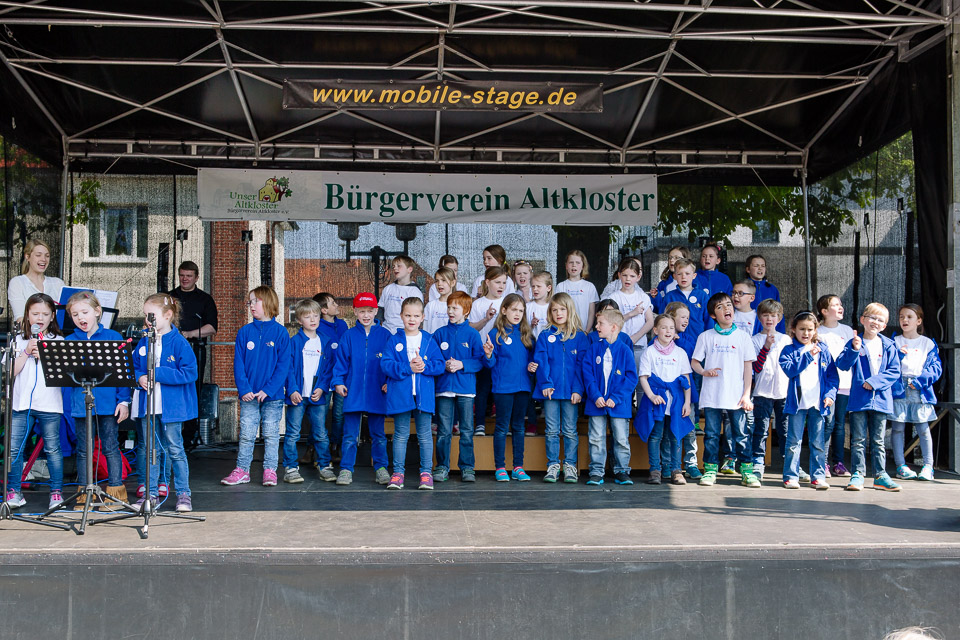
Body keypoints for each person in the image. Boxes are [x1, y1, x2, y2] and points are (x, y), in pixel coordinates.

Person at [131, 294, 198, 512]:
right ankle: (150, 494)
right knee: (151, 450)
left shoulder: (179, 343)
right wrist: (140, 377)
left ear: (168, 315)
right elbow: (134, 366)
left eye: (151, 315)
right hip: (148, 407)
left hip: (171, 408)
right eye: (145, 315)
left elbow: (190, 372)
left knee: (175, 449)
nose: (147, 320)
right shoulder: (144, 341)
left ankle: (184, 494)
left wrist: (158, 373)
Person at [65, 291, 131, 508]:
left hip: (108, 404)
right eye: (75, 315)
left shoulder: (113, 337)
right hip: (81, 404)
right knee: (83, 450)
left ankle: (115, 492)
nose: (80, 318)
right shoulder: (69, 341)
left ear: (97, 311)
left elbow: (123, 374)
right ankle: (85, 493)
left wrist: (124, 401)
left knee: (110, 446)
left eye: (84, 312)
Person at [222, 286, 290, 487]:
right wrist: (244, 389)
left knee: (271, 434)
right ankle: (242, 470)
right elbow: (238, 365)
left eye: (255, 301)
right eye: (250, 301)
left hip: (273, 397)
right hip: (249, 396)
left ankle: (270, 470)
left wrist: (268, 390)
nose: (251, 305)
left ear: (268, 303)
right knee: (246, 434)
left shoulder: (281, 333)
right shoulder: (244, 332)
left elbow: (283, 366)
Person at [4, 293, 64, 510]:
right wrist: (26, 352)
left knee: (53, 449)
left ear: (52, 316)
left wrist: (45, 357)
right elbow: (10, 373)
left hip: (49, 404)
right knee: (14, 449)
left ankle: (56, 492)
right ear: (27, 315)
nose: (40, 318)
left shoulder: (59, 341)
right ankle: (14, 491)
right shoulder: (18, 340)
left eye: (45, 314)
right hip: (21, 404)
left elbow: (61, 376)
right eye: (35, 313)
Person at [691, 292, 756, 487]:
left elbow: (748, 368)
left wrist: (746, 395)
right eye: (720, 307)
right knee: (711, 434)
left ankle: (747, 471)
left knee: (741, 434)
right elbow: (695, 362)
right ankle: (710, 470)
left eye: (728, 305)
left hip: (736, 396)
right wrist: (704, 371)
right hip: (712, 396)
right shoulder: (706, 336)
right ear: (713, 315)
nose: (726, 309)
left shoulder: (743, 337)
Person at [836, 303, 902, 492]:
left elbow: (894, 371)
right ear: (863, 319)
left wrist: (875, 382)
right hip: (859, 400)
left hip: (881, 400)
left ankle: (880, 475)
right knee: (857, 440)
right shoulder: (855, 341)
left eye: (880, 320)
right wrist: (854, 349)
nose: (875, 322)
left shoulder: (889, 345)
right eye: (872, 317)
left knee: (878, 441)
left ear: (884, 325)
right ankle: (858, 474)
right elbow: (842, 364)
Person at [382, 298, 445, 490]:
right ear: (401, 316)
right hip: (401, 395)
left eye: (416, 315)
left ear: (423, 317)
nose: (412, 319)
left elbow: (440, 364)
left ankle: (426, 473)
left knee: (424, 435)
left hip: (423, 396)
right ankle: (398, 474)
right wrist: (407, 367)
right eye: (408, 315)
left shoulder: (429, 340)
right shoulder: (394, 340)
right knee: (400, 434)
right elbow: (386, 364)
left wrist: (425, 366)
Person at [332, 293, 392, 486]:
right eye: (362, 311)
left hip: (377, 391)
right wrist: (338, 381)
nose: (366, 315)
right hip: (353, 391)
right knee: (350, 435)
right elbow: (340, 362)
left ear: (376, 311)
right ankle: (346, 469)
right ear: (355, 311)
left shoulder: (386, 336)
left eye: (370, 311)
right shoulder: (348, 336)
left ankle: (381, 468)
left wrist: (389, 381)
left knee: (379, 435)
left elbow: (391, 362)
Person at [779, 311, 839, 490]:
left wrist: (830, 395)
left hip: (818, 403)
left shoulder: (823, 349)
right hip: (797, 404)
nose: (806, 333)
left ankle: (818, 476)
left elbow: (832, 376)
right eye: (802, 329)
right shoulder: (789, 350)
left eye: (810, 329)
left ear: (815, 330)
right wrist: (808, 356)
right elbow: (790, 370)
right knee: (793, 441)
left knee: (818, 442)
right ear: (793, 329)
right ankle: (791, 476)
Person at [533, 292, 587, 484]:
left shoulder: (580, 337)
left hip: (571, 393)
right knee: (551, 430)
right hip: (551, 392)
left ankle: (570, 465)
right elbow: (541, 361)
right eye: (554, 310)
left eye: (562, 309)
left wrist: (578, 389)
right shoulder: (545, 335)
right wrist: (546, 383)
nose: (558, 313)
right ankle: (553, 465)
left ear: (570, 310)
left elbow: (582, 366)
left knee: (570, 430)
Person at [482, 293, 536, 482]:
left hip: (522, 388)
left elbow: (532, 362)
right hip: (503, 388)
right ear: (504, 310)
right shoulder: (495, 334)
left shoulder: (527, 335)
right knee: (502, 427)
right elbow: (489, 364)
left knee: (519, 427)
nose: (517, 314)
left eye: (521, 310)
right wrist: (488, 354)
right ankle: (500, 467)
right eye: (514, 309)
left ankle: (518, 467)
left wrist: (532, 368)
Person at [432, 291, 484, 483]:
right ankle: (442, 467)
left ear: (466, 311)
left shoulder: (473, 334)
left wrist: (462, 364)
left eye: (455, 308)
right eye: (449, 307)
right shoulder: (439, 333)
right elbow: (433, 360)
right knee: (444, 431)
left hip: (466, 389)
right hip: (444, 388)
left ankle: (467, 467)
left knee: (467, 430)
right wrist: (443, 365)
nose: (451, 311)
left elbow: (480, 361)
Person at [636, 314, 694, 486]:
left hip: (676, 401)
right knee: (656, 435)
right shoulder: (649, 352)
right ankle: (655, 470)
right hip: (657, 400)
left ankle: (676, 470)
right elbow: (644, 377)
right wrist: (651, 396)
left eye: (671, 328)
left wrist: (687, 402)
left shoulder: (680, 353)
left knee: (675, 435)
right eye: (664, 327)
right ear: (655, 330)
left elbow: (686, 380)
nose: (668, 331)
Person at [582, 308, 638, 486]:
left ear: (614, 327)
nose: (597, 326)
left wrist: (616, 398)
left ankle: (622, 471)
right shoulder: (594, 348)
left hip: (618, 405)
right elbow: (588, 374)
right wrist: (595, 395)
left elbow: (631, 378)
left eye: (601, 323)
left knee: (621, 439)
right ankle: (596, 471)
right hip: (596, 403)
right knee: (596, 438)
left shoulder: (625, 350)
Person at [283, 299, 334, 485]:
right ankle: (290, 468)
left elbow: (328, 369)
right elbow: (288, 368)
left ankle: (324, 465)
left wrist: (321, 388)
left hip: (317, 395)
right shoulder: (294, 342)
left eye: (316, 316)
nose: (313, 320)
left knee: (320, 433)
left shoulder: (325, 342)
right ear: (299, 320)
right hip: (297, 395)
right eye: (307, 316)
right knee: (293, 433)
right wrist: (292, 390)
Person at [889, 304, 942, 481]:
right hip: (899, 388)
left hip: (919, 389)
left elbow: (935, 368)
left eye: (909, 317)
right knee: (897, 428)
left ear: (919, 321)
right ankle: (901, 466)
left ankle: (928, 466)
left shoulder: (927, 343)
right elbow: (888, 365)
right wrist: (898, 356)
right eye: (901, 316)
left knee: (923, 428)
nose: (904, 320)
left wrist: (920, 382)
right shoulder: (894, 342)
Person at [169, 260, 218, 446]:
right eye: (182, 275)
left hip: (195, 349)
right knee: (171, 388)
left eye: (189, 276)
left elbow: (212, 328)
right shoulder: (169, 297)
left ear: (196, 277)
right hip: (170, 350)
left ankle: (189, 435)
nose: (185, 279)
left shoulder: (205, 299)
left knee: (192, 389)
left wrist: (189, 334)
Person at [750, 300, 791, 479]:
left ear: (779, 318)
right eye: (765, 315)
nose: (769, 319)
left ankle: (789, 463)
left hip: (783, 392)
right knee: (761, 428)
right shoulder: (754, 340)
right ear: (759, 317)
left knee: (785, 429)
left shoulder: (786, 339)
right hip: (762, 392)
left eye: (773, 316)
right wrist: (766, 347)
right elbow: (756, 367)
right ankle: (758, 461)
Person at [816, 294, 854, 477]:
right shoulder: (818, 331)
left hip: (845, 383)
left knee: (839, 424)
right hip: (826, 386)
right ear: (824, 311)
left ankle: (838, 463)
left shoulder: (847, 330)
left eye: (841, 304)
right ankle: (821, 462)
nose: (840, 307)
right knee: (827, 423)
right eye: (835, 305)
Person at [468, 265, 509, 435]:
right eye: (497, 282)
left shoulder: (507, 302)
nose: (501, 286)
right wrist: (486, 319)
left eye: (504, 283)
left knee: (501, 390)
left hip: (503, 354)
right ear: (487, 282)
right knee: (482, 389)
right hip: (483, 353)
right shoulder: (478, 304)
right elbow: (471, 328)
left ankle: (503, 425)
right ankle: (480, 424)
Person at [664, 301, 702, 480]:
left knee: (689, 429)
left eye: (688, 317)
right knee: (668, 431)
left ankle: (691, 464)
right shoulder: (660, 339)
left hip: (686, 393)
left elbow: (692, 356)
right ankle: (668, 465)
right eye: (682, 317)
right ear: (672, 318)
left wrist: (678, 340)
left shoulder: (688, 339)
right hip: (667, 394)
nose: (686, 320)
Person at [313, 292, 348, 459]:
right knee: (320, 414)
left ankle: (335, 446)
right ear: (324, 310)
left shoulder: (342, 325)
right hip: (324, 377)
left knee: (339, 414)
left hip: (341, 377)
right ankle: (314, 447)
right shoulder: (317, 326)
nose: (336, 305)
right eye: (333, 303)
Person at [607, 257, 655, 370]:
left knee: (638, 375)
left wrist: (635, 337)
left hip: (639, 345)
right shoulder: (614, 297)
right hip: (619, 344)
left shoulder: (643, 297)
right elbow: (611, 321)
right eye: (624, 275)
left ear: (638, 277)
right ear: (619, 275)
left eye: (632, 276)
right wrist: (631, 314)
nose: (628, 279)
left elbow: (650, 321)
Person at [7, 239, 65, 326]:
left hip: (56, 333)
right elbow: (20, 319)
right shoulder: (17, 283)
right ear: (27, 256)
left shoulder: (58, 283)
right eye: (38, 255)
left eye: (47, 256)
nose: (44, 259)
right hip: (30, 334)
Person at [656, 258, 709, 336]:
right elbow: (662, 319)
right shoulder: (670, 297)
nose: (683, 277)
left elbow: (708, 320)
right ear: (675, 276)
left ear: (694, 276)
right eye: (679, 274)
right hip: (675, 340)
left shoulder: (702, 296)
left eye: (687, 273)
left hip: (698, 339)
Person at [554, 250, 600, 332]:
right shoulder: (561, 286)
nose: (574, 265)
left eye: (578, 263)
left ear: (583, 266)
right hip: (566, 332)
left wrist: (587, 331)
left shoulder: (589, 286)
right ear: (566, 266)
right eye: (571, 262)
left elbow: (591, 312)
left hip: (585, 331)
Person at [379, 255, 423, 334]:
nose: (395, 268)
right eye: (393, 266)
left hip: (405, 333)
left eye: (399, 266)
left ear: (409, 269)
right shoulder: (388, 289)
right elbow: (380, 309)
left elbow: (417, 315)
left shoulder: (415, 292)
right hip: (386, 331)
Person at [745, 254, 785, 332]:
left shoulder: (772, 289)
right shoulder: (743, 287)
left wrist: (781, 332)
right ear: (748, 269)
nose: (760, 268)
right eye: (756, 266)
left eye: (763, 266)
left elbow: (779, 312)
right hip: (748, 328)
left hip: (769, 330)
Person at [423, 267, 455, 333]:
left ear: (453, 283)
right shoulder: (430, 306)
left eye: (443, 280)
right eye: (437, 281)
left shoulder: (458, 305)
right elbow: (425, 329)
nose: (439, 284)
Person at [527, 271, 553, 340]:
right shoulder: (527, 307)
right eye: (533, 286)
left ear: (548, 288)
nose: (535, 289)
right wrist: (531, 325)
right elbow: (523, 329)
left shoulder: (553, 307)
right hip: (532, 344)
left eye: (538, 286)